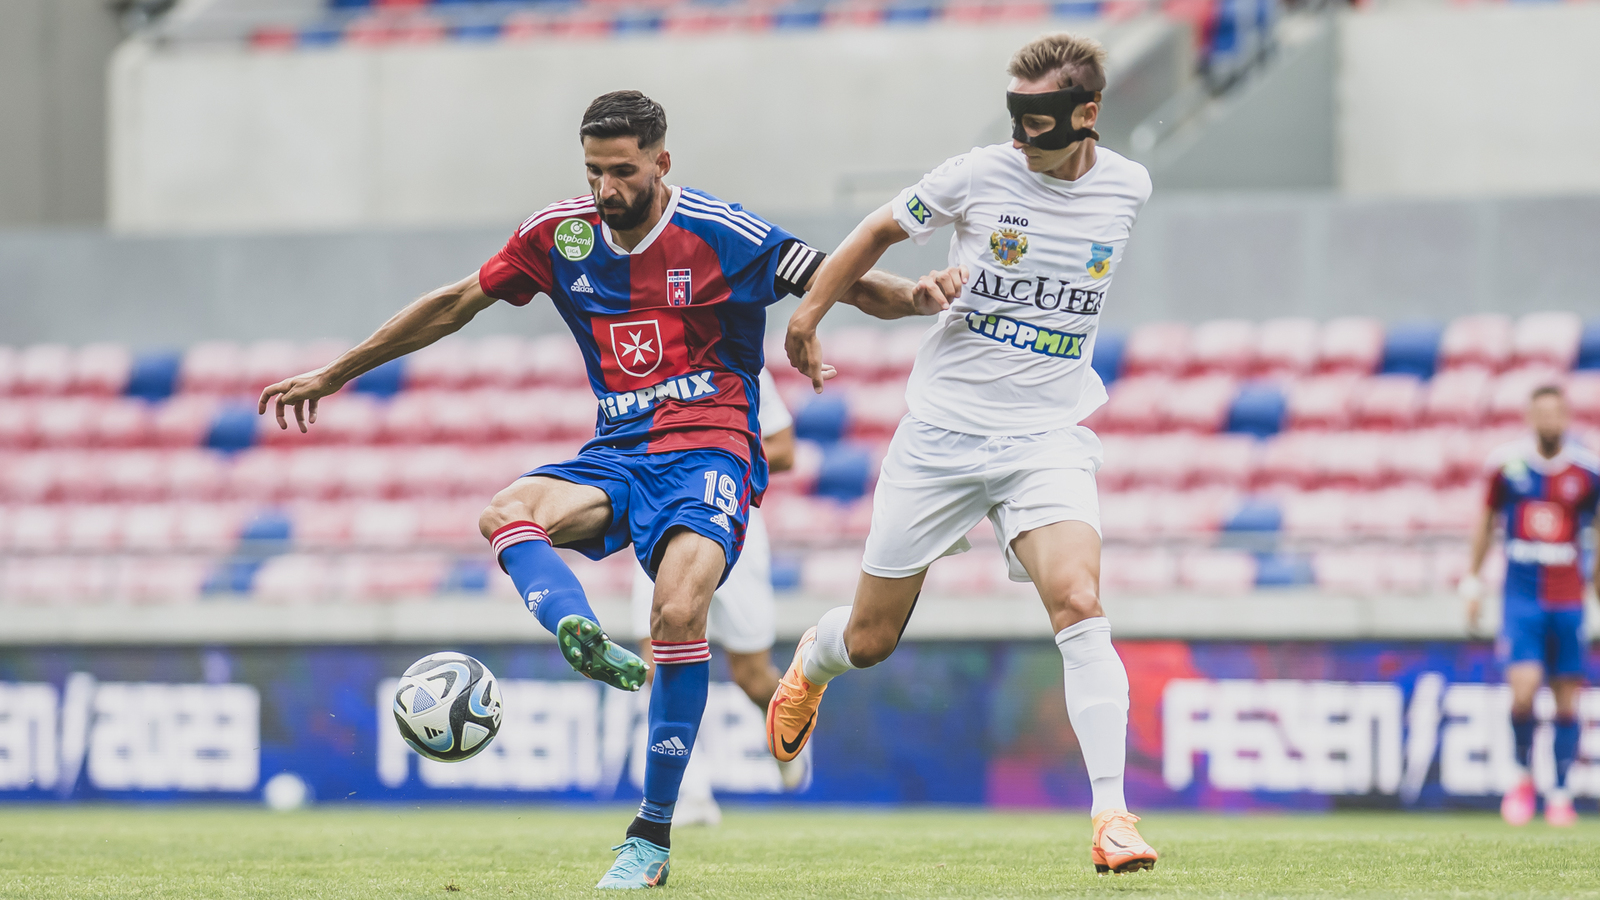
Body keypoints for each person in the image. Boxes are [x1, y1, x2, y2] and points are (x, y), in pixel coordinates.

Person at [257, 90, 954, 889]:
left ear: (661, 162)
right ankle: (574, 627)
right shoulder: (561, 235)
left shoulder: (721, 232)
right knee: (506, 512)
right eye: (593, 172)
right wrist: (336, 373)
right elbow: (454, 305)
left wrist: (915, 297)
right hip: (619, 451)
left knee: (677, 614)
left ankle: (650, 837)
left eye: (622, 172)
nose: (605, 189)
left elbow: (839, 277)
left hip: (710, 451)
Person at [766, 33, 1158, 874]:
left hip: (1045, 437)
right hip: (942, 436)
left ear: (1087, 115)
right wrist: (808, 315)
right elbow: (877, 229)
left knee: (1079, 602)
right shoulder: (978, 174)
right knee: (871, 639)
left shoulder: (1129, 186)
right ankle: (812, 663)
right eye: (1013, 118)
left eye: (1037, 123)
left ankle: (1112, 816)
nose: (1020, 138)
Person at [628, 366, 807, 827]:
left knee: (752, 677)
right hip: (660, 522)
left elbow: (784, 449)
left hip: (731, 521)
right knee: (656, 662)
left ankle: (785, 731)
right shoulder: (645, 362)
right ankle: (690, 792)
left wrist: (708, 456)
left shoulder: (740, 361)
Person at [1462, 384, 1598, 828]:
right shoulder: (1507, 465)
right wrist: (1472, 581)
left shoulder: (1587, 471)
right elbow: (1486, 521)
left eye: (1556, 413)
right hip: (1521, 599)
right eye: (1542, 413)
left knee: (1565, 699)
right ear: (1530, 417)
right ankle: (1521, 778)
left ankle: (1560, 792)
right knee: (1523, 691)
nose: (1549, 421)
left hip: (1568, 599)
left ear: (1566, 417)